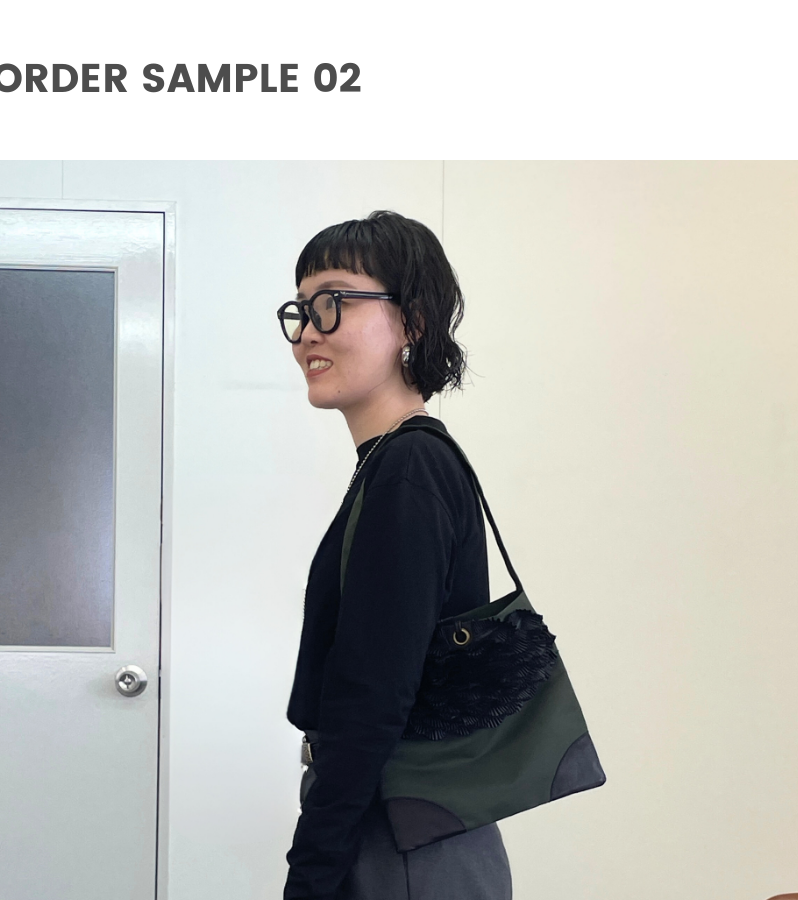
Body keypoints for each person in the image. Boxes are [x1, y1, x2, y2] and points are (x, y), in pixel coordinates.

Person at [279, 211, 514, 900]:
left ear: (412, 321)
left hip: (401, 845)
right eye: (301, 310)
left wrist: (311, 875)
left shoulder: (408, 468)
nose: (308, 332)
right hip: (410, 833)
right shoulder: (396, 464)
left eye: (333, 303)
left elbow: (372, 699)